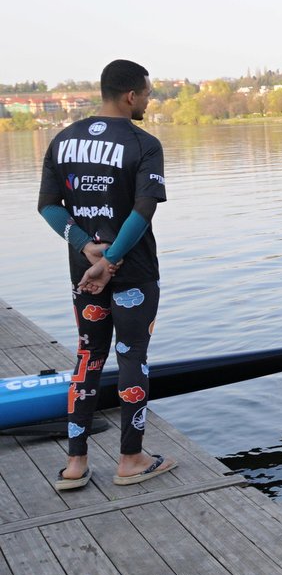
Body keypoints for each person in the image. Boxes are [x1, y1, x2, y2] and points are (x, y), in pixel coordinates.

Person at [38, 59, 176, 491]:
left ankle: (75, 465)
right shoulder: (143, 143)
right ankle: (131, 459)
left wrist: (84, 246)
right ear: (130, 95)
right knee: (132, 357)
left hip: (84, 273)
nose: (149, 100)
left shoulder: (61, 141)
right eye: (148, 93)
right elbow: (143, 210)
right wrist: (112, 259)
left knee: (87, 358)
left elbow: (48, 207)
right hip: (132, 272)